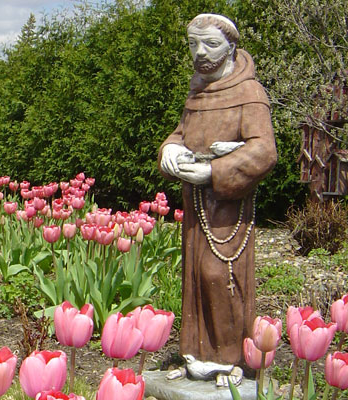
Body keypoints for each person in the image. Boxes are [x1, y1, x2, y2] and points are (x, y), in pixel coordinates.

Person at [158, 14, 277, 384]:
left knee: (220, 276)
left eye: (210, 44)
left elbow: (264, 151)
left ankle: (232, 359)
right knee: (194, 277)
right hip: (196, 206)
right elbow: (181, 133)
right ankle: (197, 354)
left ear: (231, 47)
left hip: (230, 208)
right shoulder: (198, 92)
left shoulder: (249, 93)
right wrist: (170, 150)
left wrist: (216, 172)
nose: (200, 52)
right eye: (194, 44)